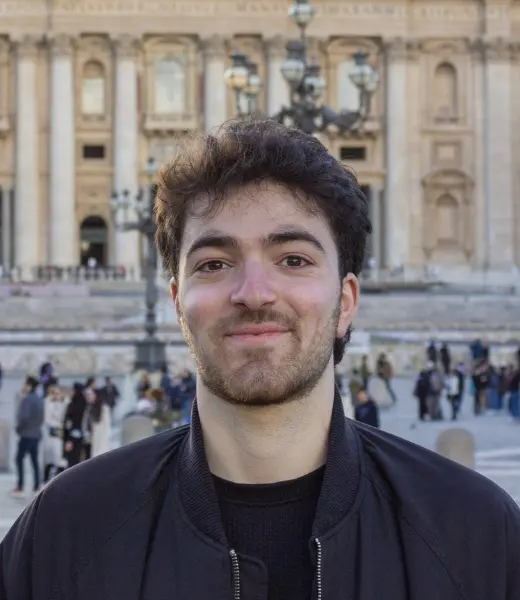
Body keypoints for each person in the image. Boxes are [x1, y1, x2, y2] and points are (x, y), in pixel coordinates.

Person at [1, 120, 520, 599]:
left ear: (346, 301)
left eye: (293, 259)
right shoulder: (63, 533)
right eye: (215, 262)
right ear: (178, 301)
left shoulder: (478, 535)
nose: (255, 293)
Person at [11, 376, 44, 498]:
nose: (22, 386)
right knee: (34, 461)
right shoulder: (39, 399)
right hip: (36, 434)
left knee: (19, 459)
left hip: (26, 435)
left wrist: (18, 429)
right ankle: (37, 485)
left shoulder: (27, 400)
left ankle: (20, 485)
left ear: (29, 386)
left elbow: (24, 418)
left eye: (24, 384)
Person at [42, 382, 67, 483]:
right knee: (50, 457)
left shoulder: (63, 403)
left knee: (59, 456)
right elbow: (47, 420)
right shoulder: (48, 403)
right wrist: (58, 425)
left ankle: (59, 479)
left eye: (58, 392)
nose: (56, 395)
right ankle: (46, 479)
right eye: (54, 392)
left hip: (60, 434)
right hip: (51, 433)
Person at [62, 383, 87, 469]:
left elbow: (68, 423)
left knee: (71, 462)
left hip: (72, 437)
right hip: (82, 437)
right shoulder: (85, 405)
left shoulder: (72, 405)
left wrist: (68, 440)